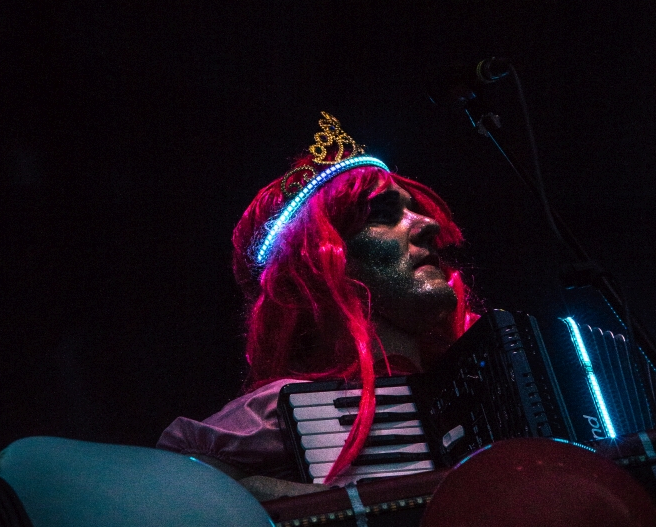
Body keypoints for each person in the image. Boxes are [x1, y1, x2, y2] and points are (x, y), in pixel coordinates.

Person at [158, 112, 477, 495]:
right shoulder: (280, 409)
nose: (428, 224)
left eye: (413, 209)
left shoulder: (482, 374)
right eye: (382, 214)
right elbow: (178, 486)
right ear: (319, 264)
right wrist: (320, 503)